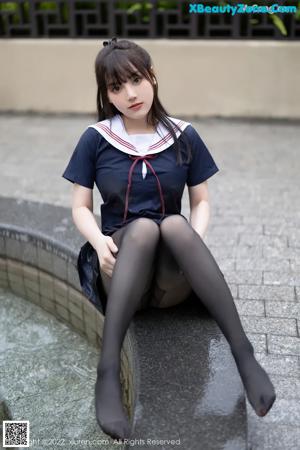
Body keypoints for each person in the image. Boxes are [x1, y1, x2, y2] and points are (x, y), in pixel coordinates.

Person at [62, 37, 276, 441]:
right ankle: (107, 372)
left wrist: (191, 243)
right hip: (122, 272)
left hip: (171, 279)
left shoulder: (183, 135)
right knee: (143, 228)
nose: (129, 94)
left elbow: (202, 201)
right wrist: (98, 241)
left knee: (176, 226)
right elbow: (79, 207)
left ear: (152, 77)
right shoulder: (96, 138)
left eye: (136, 80)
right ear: (105, 94)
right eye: (115, 87)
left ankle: (244, 355)